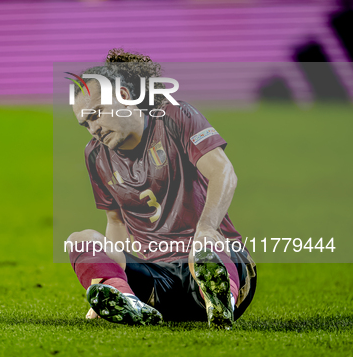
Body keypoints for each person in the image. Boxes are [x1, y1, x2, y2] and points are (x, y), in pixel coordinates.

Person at [66, 49, 257, 329]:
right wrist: (106, 277)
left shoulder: (175, 117)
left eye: (97, 114)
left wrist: (206, 228)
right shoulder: (95, 155)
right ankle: (127, 300)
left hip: (215, 258)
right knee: (79, 240)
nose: (93, 128)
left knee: (206, 251)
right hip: (158, 280)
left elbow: (223, 171)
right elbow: (115, 222)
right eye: (86, 123)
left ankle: (219, 296)